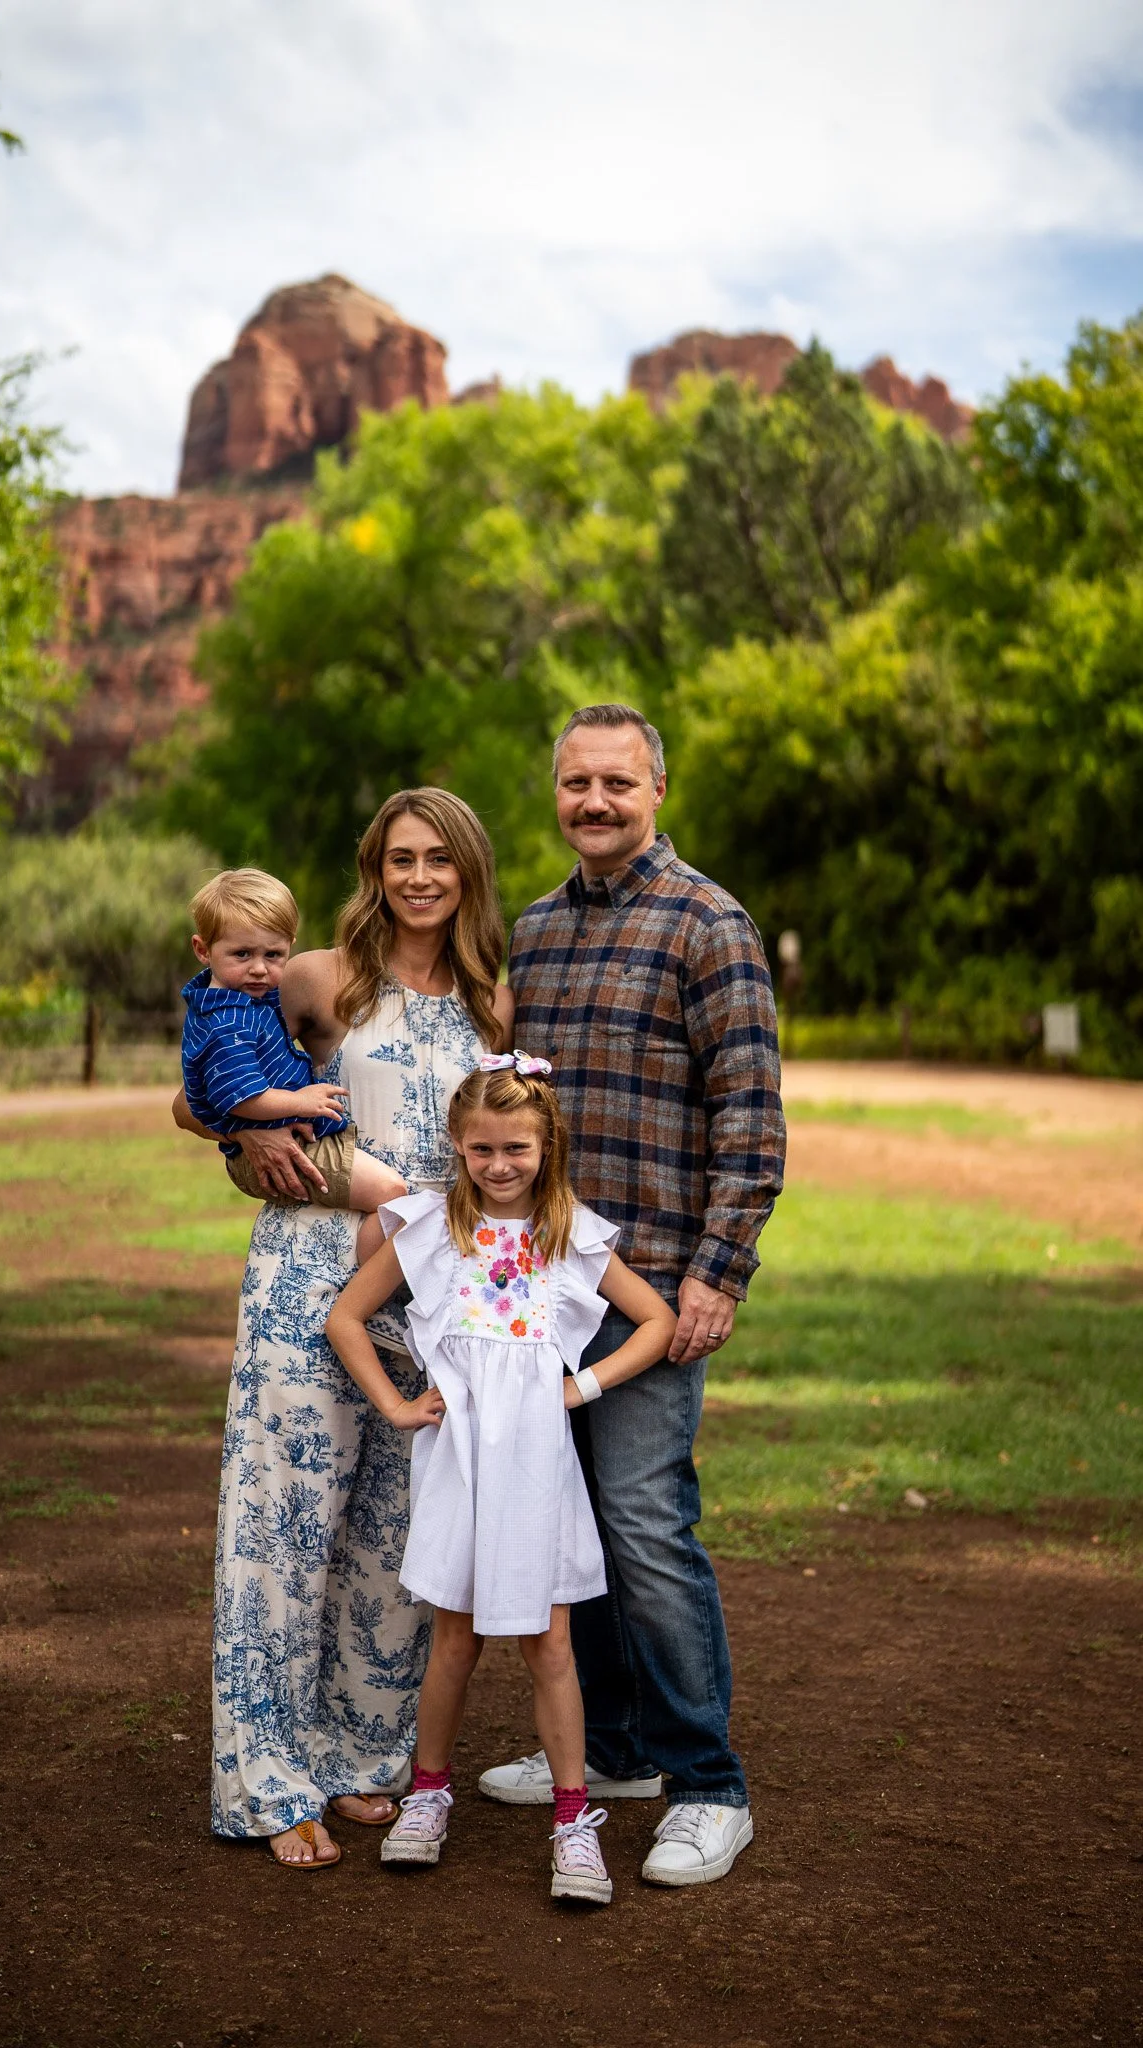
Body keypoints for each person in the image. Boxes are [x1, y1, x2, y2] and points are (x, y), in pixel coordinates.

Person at [173, 789, 513, 1870]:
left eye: (439, 859)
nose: (419, 877)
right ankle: (269, 1778)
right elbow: (196, 1097)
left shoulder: (490, 1006)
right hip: (310, 1279)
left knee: (398, 1534)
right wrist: (250, 1148)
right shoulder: (319, 976)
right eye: (399, 857)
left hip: (437, 1298)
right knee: (285, 1529)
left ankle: (363, 1751)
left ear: (467, 872)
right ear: (373, 866)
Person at [479, 702, 786, 1889]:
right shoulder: (539, 932)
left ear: (658, 788)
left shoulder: (711, 923)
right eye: (574, 782)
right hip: (543, 1294)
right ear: (553, 792)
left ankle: (709, 1781)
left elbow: (750, 1122)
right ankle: (613, 1752)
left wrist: (718, 1271)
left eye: (617, 781)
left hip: (654, 1289)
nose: (594, 801)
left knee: (648, 1523)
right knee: (577, 1525)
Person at [326, 1058, 676, 1904]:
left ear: (545, 1143)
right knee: (455, 1638)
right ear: (458, 1145)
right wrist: (398, 1406)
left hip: (536, 1468)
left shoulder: (571, 1234)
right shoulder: (429, 1227)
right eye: (480, 1148)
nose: (499, 1164)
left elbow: (657, 1321)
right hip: (459, 1461)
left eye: (516, 1147)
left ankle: (571, 1822)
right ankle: (430, 1794)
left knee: (549, 1643)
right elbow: (344, 1315)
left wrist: (578, 1386)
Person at [180, 866, 406, 1259]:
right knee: (393, 1198)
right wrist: (301, 1102)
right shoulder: (228, 1021)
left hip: (286, 1135)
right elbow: (241, 1099)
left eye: (273, 954)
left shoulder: (249, 999)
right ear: (203, 950)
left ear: (290, 946)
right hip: (273, 1147)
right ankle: (364, 1289)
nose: (259, 968)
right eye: (242, 954)